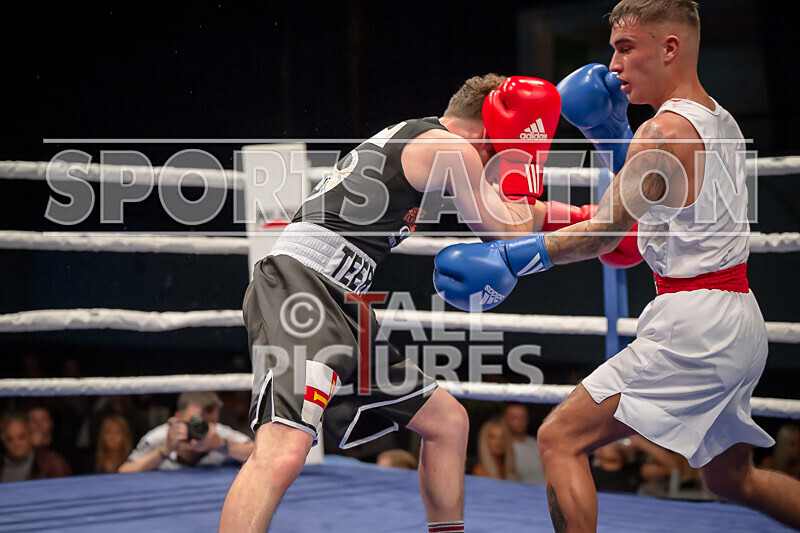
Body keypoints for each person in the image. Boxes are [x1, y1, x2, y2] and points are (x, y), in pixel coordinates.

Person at [433, 1, 800, 530]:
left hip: (694, 326)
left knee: (559, 438)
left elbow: (607, 232)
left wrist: (511, 257)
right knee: (732, 479)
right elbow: (654, 197)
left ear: (669, 48)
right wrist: (610, 131)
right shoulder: (718, 119)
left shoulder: (660, 133)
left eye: (626, 48)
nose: (614, 65)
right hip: (740, 321)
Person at [218, 73, 578, 533]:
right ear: (491, 133)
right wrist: (524, 165)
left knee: (448, 423)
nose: (496, 167)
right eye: (503, 151)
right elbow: (506, 234)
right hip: (301, 288)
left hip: (343, 301)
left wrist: (593, 218)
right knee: (283, 449)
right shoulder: (452, 150)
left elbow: (512, 212)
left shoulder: (426, 140)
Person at [119, 391, 253, 473]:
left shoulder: (219, 434)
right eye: (196, 422)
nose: (203, 429)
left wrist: (221, 445)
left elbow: (257, 452)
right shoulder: (160, 437)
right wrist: (164, 450)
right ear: (178, 417)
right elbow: (125, 471)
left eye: (209, 424)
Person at [0, 415, 71, 482]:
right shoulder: (2, 464)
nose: (15, 443)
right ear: (4, 441)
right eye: (10, 439)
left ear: (30, 437)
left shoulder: (53, 463)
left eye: (21, 437)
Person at [502, 403, 545, 484]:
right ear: (504, 419)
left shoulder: (536, 443)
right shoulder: (501, 448)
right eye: (515, 418)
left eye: (523, 417)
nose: (520, 422)